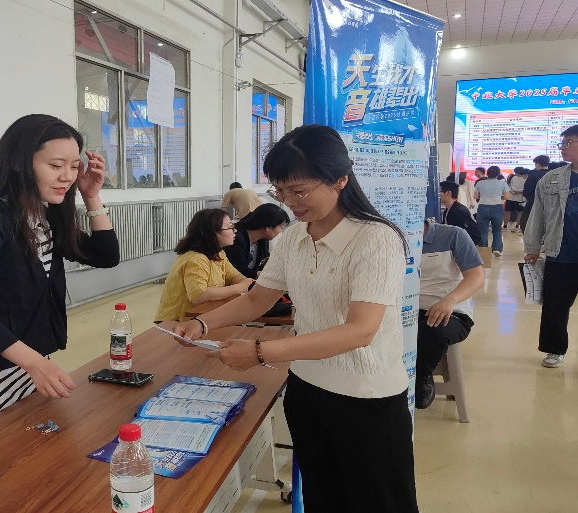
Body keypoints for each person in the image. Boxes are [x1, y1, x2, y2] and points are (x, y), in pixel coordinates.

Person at [174, 125, 418, 511]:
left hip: (366, 399)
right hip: (307, 390)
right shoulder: (292, 238)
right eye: (280, 191)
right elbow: (257, 300)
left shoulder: (376, 239)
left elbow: (360, 331)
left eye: (299, 190)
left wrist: (261, 352)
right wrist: (202, 324)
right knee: (324, 498)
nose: (290, 202)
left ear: (340, 179)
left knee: (380, 502)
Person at [0, 114, 120, 440]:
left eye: (74, 166)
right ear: (18, 162)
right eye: (55, 165)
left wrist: (91, 196)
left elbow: (105, 256)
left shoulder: (43, 213)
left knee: (30, 457)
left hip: (28, 366)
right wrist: (35, 364)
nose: (67, 176)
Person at [523, 124, 578, 369]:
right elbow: (538, 214)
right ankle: (555, 349)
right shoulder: (552, 178)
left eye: (568, 143)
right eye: (562, 143)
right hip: (561, 253)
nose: (563, 148)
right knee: (555, 306)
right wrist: (533, 246)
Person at [415, 220, 485, 409]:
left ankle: (422, 375)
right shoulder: (388, 236)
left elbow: (476, 276)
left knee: (431, 331)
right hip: (405, 310)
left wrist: (450, 299)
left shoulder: (453, 235)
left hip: (451, 311)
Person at [154, 208, 254, 322]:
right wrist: (239, 288)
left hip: (201, 317)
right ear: (213, 233)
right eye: (230, 227)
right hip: (178, 322)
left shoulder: (218, 254)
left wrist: (244, 282)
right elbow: (199, 295)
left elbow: (233, 276)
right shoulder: (196, 259)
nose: (235, 231)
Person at [223, 203, 290, 278]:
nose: (281, 231)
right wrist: (259, 275)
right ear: (267, 227)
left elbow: (265, 261)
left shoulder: (263, 238)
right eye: (281, 227)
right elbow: (237, 270)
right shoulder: (235, 238)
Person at [474, 165, 510, 256]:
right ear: (498, 174)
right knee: (497, 230)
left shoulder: (480, 183)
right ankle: (496, 249)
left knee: (482, 231)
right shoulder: (502, 183)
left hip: (482, 208)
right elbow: (506, 197)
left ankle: (483, 250)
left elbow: (475, 196)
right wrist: (499, 197)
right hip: (497, 208)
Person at [519, 155, 551, 233]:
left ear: (538, 164)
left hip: (534, 203)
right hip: (552, 204)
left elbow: (526, 192)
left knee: (528, 225)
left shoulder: (533, 175)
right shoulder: (554, 174)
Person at [504, 167, 527, 232]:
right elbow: (511, 185)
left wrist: (515, 190)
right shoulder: (521, 178)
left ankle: (507, 226)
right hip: (517, 197)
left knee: (509, 211)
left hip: (514, 197)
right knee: (518, 212)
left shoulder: (522, 178)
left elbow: (511, 186)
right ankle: (515, 226)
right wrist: (518, 191)